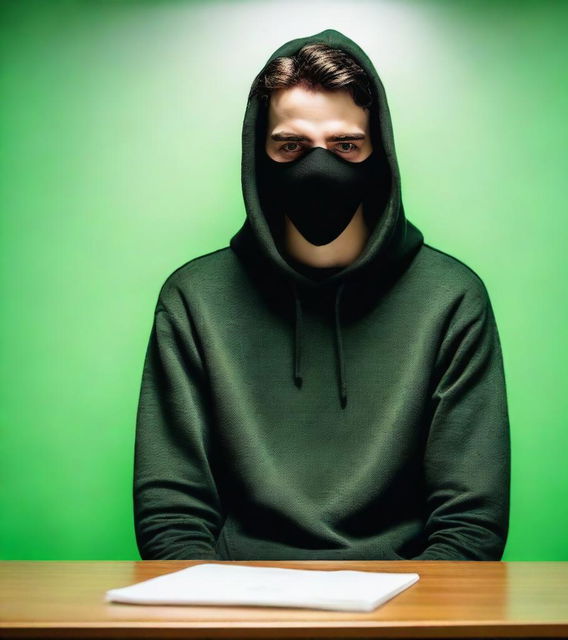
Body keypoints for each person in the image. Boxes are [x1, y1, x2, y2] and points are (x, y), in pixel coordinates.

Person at [133, 28, 511, 561]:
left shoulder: (450, 299)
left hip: (406, 613)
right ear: (258, 156)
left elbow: (470, 524)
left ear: (378, 155)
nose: (318, 167)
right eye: (290, 146)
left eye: (345, 146)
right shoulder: (195, 299)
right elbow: (172, 514)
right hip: (235, 613)